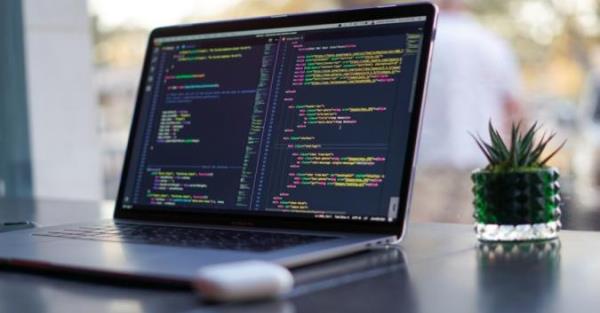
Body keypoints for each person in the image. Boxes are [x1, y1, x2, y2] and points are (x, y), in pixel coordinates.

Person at [412, 0, 522, 222]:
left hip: (426, 164)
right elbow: (513, 108)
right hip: (482, 165)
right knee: (472, 247)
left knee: (421, 248)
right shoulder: (492, 43)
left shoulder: (419, 38)